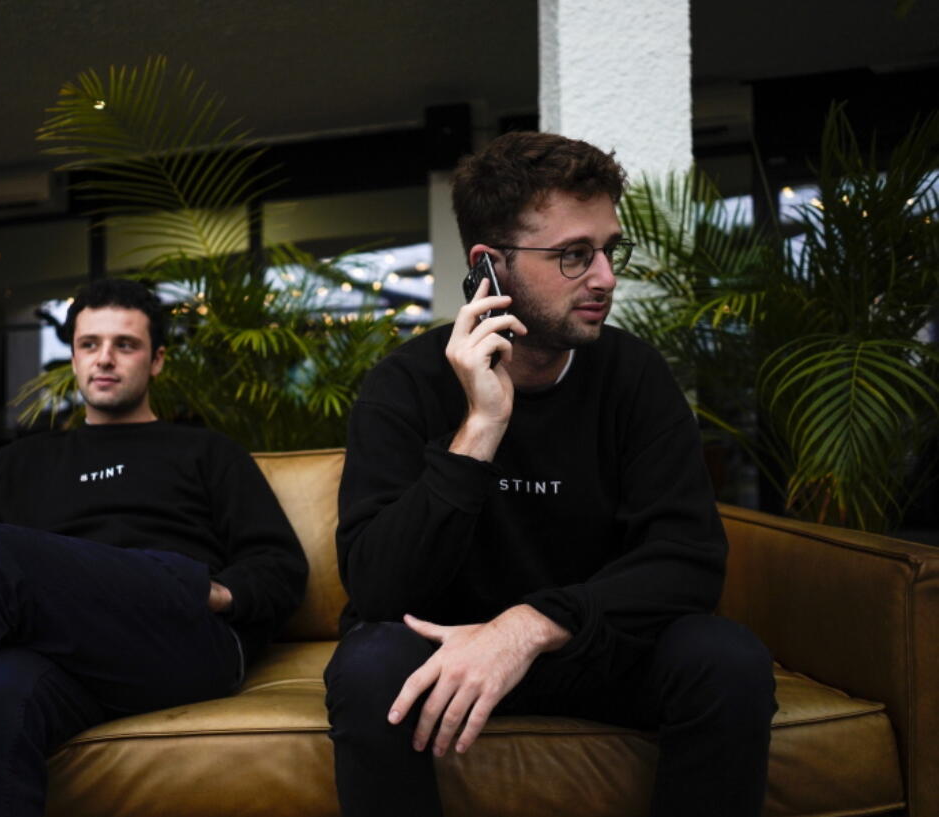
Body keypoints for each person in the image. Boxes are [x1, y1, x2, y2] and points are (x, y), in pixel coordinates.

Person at [324, 132, 776, 817]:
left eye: (607, 249)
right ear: (490, 266)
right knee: (367, 667)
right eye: (573, 255)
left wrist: (527, 626)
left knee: (727, 658)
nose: (606, 277)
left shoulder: (634, 377)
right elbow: (379, 586)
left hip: (589, 646)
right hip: (450, 658)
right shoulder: (403, 386)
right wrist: (481, 427)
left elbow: (687, 560)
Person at [0, 278, 307, 817]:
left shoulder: (206, 451)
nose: (105, 359)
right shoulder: (26, 459)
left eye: (125, 345)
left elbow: (280, 568)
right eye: (90, 344)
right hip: (60, 653)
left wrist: (209, 594)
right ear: (73, 357)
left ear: (156, 361)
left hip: (178, 638)